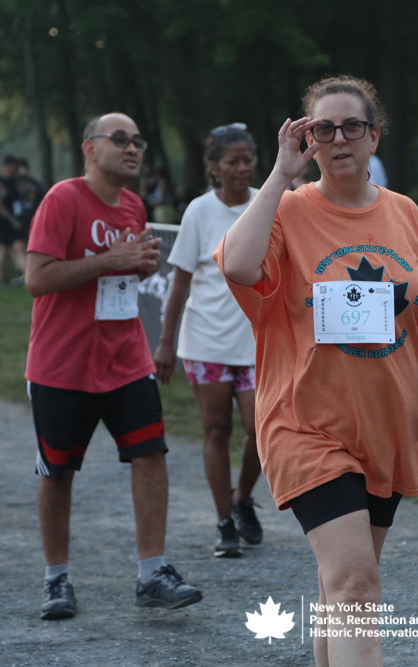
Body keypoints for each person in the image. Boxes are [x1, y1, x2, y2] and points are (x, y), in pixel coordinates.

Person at [217, 75, 418, 665]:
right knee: (356, 585)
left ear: (374, 137)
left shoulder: (405, 215)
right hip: (306, 424)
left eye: (351, 127)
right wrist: (279, 176)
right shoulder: (288, 209)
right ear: (306, 140)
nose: (338, 139)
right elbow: (238, 265)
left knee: (341, 588)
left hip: (387, 429)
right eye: (323, 129)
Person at [24, 112, 202, 621]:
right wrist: (110, 259)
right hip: (63, 364)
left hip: (125, 358)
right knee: (58, 472)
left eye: (138, 141)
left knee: (151, 455)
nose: (132, 148)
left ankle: (153, 573)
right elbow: (36, 278)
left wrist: (138, 265)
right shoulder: (62, 199)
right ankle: (56, 579)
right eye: (119, 139)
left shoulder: (133, 205)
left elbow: (122, 272)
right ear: (90, 148)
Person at [153, 123, 263, 559]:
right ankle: (224, 522)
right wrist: (166, 342)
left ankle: (242, 498)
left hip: (256, 343)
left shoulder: (268, 203)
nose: (242, 168)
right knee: (216, 430)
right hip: (205, 342)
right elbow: (179, 282)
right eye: (232, 161)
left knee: (261, 430)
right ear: (214, 168)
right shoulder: (199, 212)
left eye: (248, 159)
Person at [0, 155, 27, 286]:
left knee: (19, 247)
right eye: (15, 167)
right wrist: (11, 220)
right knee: (3, 249)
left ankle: (25, 275)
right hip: (4, 221)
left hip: (15, 219)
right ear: (9, 166)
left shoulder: (13, 181)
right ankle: (0, 278)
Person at [14, 158, 44, 237]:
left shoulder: (34, 185)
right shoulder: (13, 184)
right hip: (19, 219)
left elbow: (41, 199)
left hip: (33, 217)